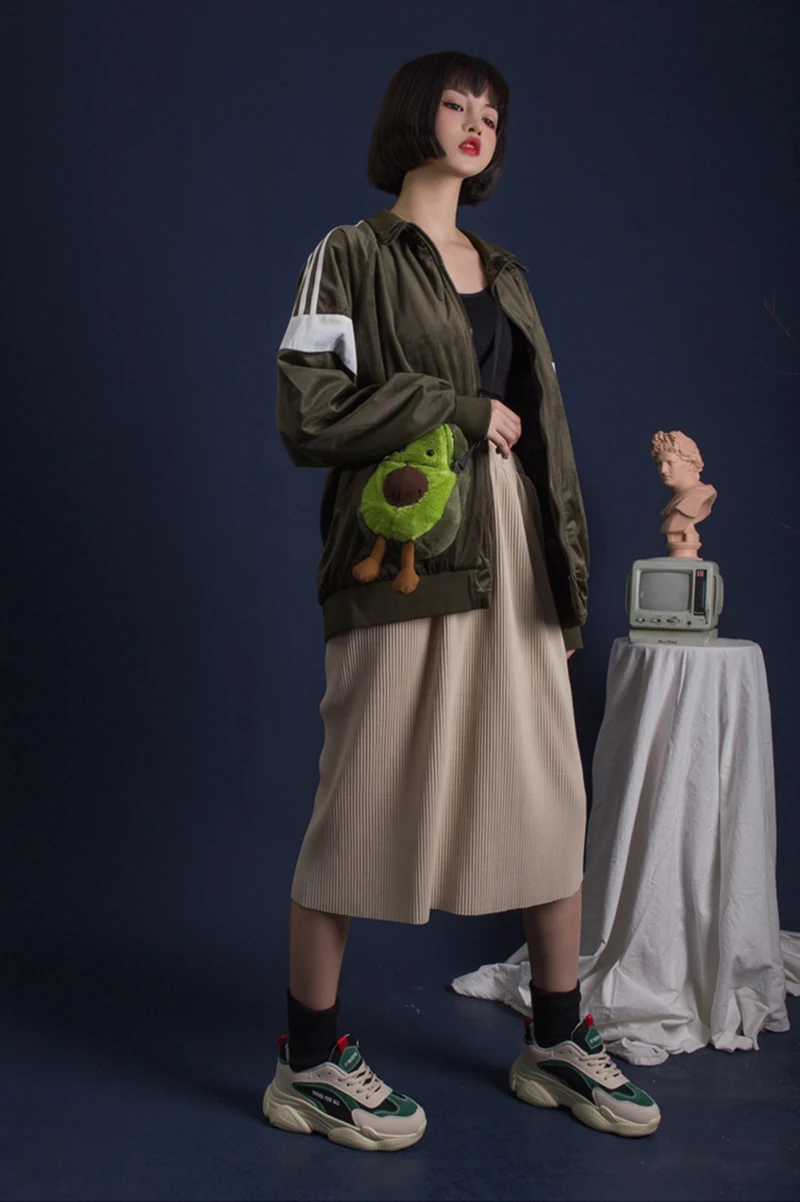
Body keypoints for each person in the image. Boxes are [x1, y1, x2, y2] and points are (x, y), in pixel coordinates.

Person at [263, 51, 661, 1151]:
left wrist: (564, 579)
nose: (477, 122)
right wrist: (453, 404)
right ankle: (308, 1061)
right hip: (405, 557)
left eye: (492, 111)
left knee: (548, 794)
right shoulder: (348, 254)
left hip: (514, 555)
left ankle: (555, 1037)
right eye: (456, 103)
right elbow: (306, 412)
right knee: (362, 795)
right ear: (414, 115)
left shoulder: (506, 269)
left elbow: (548, 439)